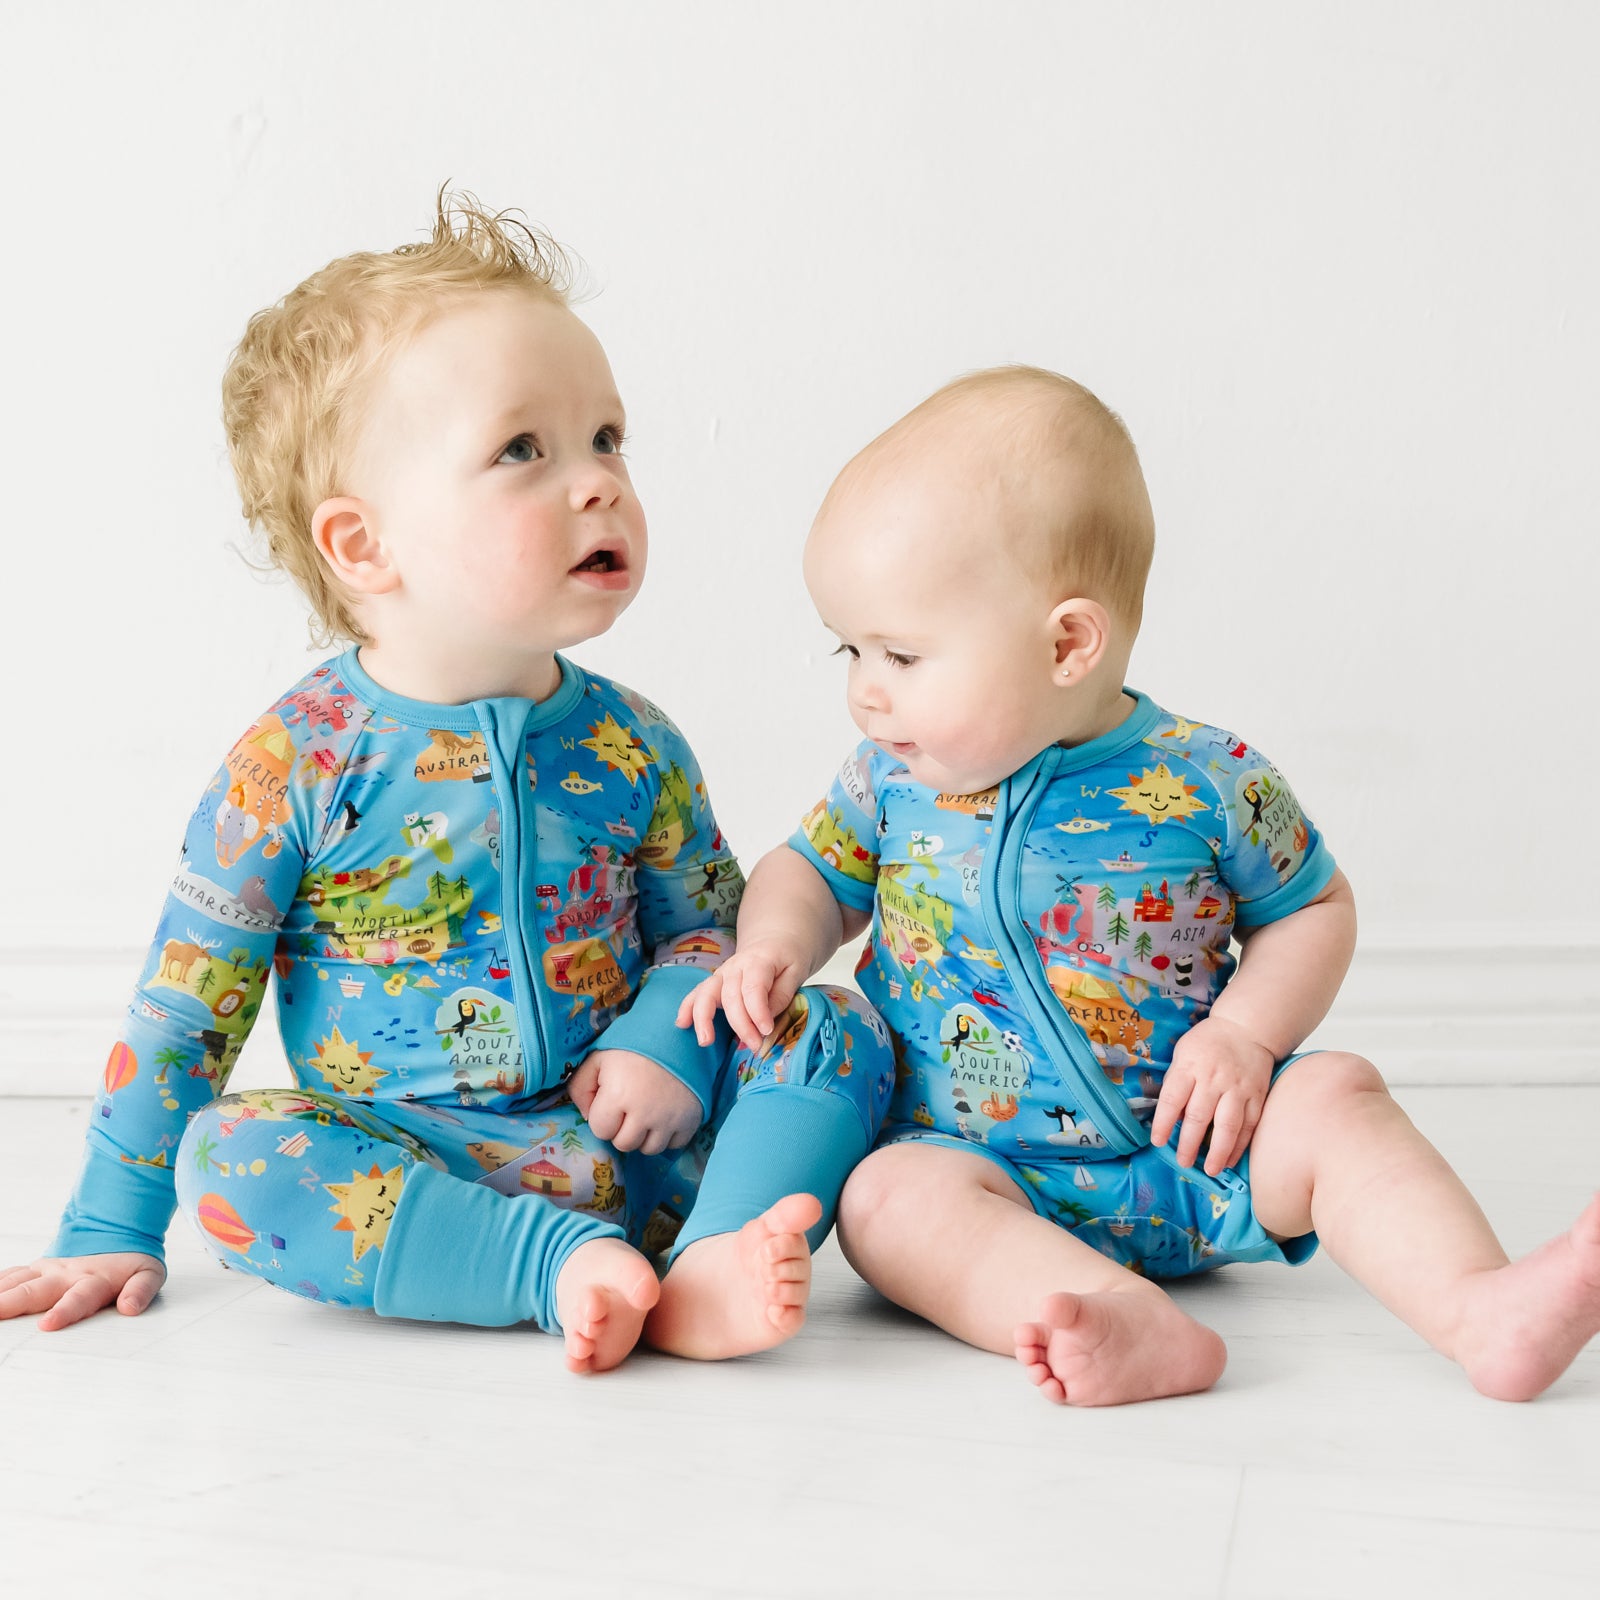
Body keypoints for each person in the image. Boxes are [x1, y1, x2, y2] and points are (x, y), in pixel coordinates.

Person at [0, 195, 892, 1373]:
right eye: (524, 450)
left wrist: (662, 1046)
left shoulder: (633, 743)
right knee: (236, 1158)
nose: (597, 483)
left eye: (607, 438)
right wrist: (110, 1226)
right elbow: (185, 1005)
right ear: (363, 545)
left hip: (643, 1141)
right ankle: (550, 1269)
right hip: (422, 1164)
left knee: (832, 1026)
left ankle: (719, 1255)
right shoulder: (294, 767)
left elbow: (709, 938)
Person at [679, 364, 1600, 1405]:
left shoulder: (1205, 776)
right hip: (982, 1168)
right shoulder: (887, 781)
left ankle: (1478, 1306)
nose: (865, 690)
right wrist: (777, 946)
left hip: (1199, 1151)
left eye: (900, 651)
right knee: (886, 1200)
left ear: (1068, 641)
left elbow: (1312, 908)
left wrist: (1247, 1037)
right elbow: (809, 872)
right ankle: (1111, 1316)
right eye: (850, 649)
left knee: (1336, 1094)